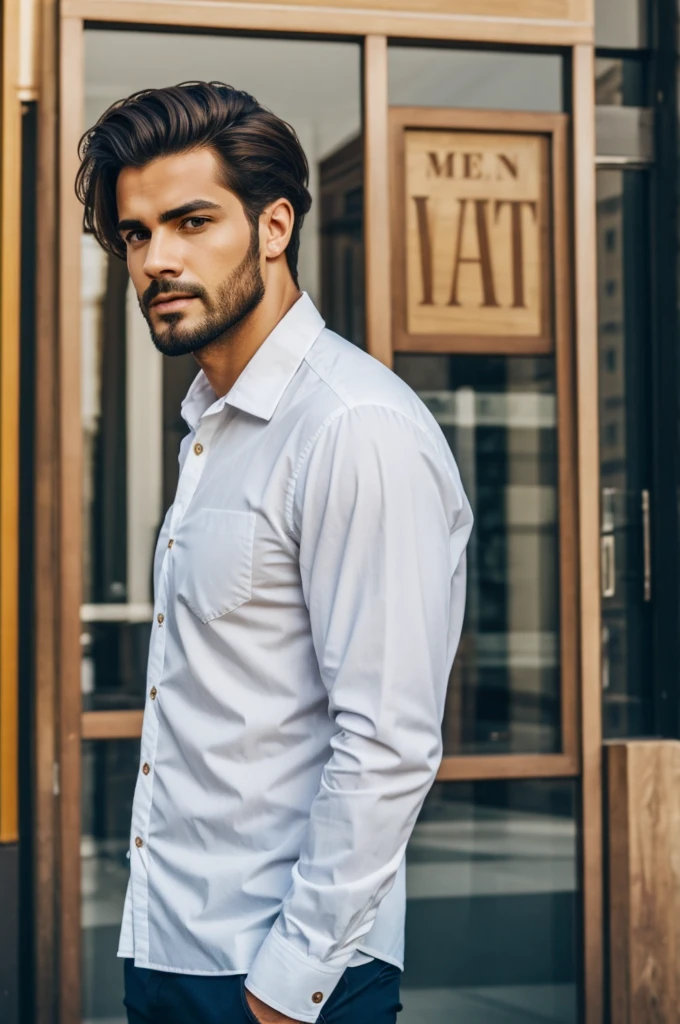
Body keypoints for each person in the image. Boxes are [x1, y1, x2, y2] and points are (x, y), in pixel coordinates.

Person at [76, 81, 472, 1024]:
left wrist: (286, 989)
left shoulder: (353, 426)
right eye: (136, 235)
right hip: (173, 946)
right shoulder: (211, 429)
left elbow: (387, 742)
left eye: (190, 220)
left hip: (284, 978)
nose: (157, 259)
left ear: (273, 225)